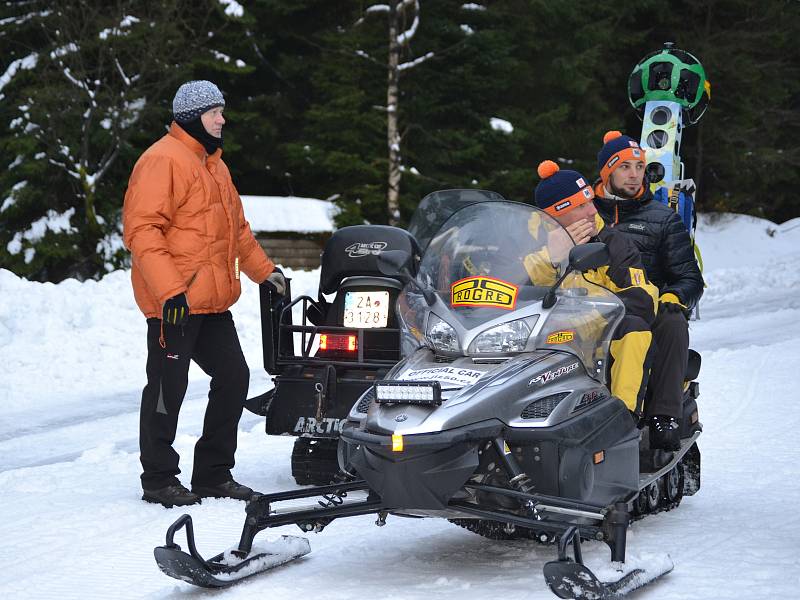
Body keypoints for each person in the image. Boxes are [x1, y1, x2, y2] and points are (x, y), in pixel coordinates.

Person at [123, 80, 287, 507]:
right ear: (195, 116)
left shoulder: (216, 166)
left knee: (234, 377)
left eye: (222, 111)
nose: (222, 119)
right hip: (174, 305)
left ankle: (213, 473)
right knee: (166, 388)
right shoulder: (162, 160)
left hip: (213, 304)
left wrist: (265, 272)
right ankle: (159, 478)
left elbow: (237, 231)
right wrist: (170, 292)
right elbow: (142, 232)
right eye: (215, 112)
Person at [593, 131, 704, 450]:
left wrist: (675, 296)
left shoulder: (663, 219)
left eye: (639, 167)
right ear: (607, 172)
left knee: (671, 321)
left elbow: (689, 277)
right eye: (625, 167)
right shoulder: (584, 215)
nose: (633, 175)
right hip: (589, 306)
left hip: (646, 305)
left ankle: (663, 416)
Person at [525, 160, 658, 418]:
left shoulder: (612, 241)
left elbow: (642, 300)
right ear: (554, 215)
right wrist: (552, 258)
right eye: (580, 206)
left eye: (589, 202)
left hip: (598, 336)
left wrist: (592, 311)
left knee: (634, 327)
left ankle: (622, 416)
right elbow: (511, 287)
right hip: (537, 337)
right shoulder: (526, 243)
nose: (591, 211)